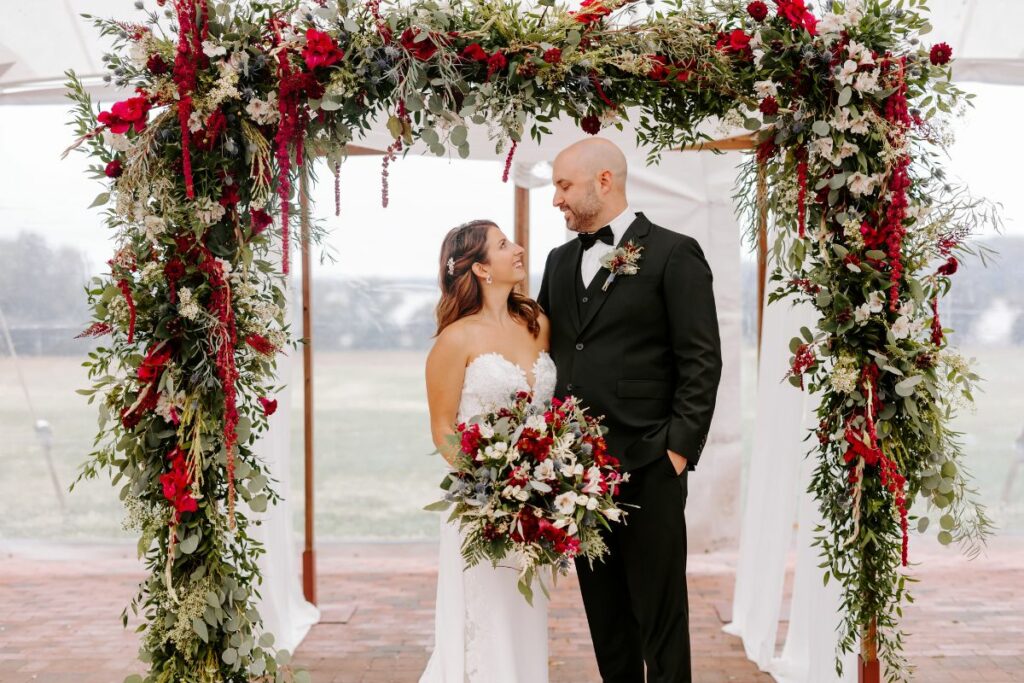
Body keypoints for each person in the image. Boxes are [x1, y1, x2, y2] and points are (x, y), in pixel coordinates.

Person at [537, 137, 723, 683]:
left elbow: (700, 359)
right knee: (607, 623)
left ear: (604, 181)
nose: (556, 200)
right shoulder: (558, 259)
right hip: (579, 476)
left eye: (563, 185)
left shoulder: (673, 252)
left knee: (660, 623)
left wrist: (677, 452)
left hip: (650, 465)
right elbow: (551, 349)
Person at [420, 219, 555, 683]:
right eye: (503, 245)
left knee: (524, 614)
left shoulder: (537, 324)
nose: (517, 249)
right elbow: (442, 431)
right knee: (485, 619)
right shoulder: (455, 339)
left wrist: (542, 486)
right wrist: (492, 491)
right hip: (482, 505)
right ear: (480, 267)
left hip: (535, 503)